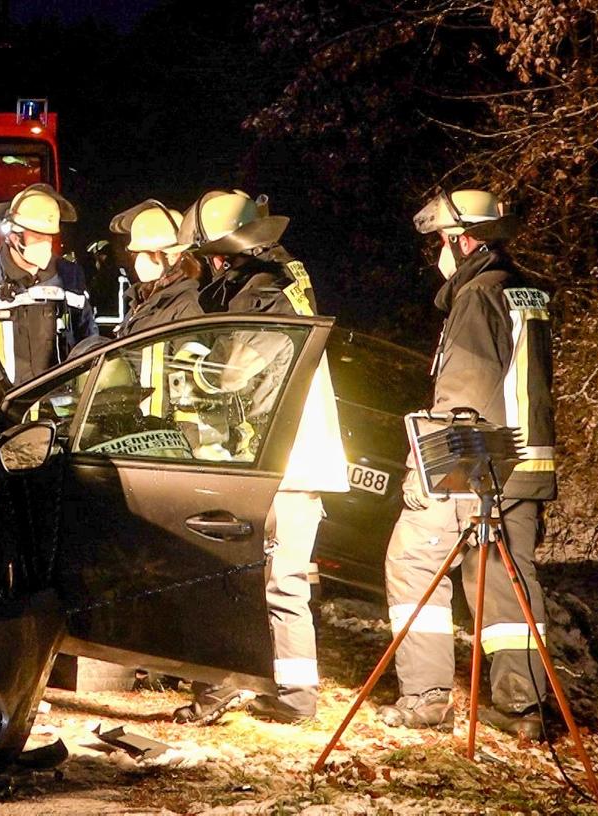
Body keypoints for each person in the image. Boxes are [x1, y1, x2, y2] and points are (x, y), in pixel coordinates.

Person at [377, 189, 555, 739]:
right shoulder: (526, 292)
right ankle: (523, 707)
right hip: (526, 466)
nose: (438, 255)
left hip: (481, 463)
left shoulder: (477, 296)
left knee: (411, 561)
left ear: (464, 240)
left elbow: (464, 399)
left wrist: (424, 473)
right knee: (506, 583)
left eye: (440, 243)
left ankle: (428, 699)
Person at [172, 189, 349, 724]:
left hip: (277, 461)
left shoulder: (261, 294)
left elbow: (234, 376)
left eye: (210, 256)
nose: (210, 267)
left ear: (225, 251)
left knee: (232, 576)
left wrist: (188, 370)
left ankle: (222, 687)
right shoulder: (288, 278)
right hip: (301, 458)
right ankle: (295, 699)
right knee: (284, 582)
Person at [0, 184, 97, 383]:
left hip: (58, 406)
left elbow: (87, 338)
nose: (46, 243)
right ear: (13, 235)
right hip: (4, 406)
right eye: (37, 235)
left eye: (49, 236)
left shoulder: (70, 276)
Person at [111, 200, 206, 337]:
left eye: (148, 252)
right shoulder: (142, 301)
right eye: (136, 253)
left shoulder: (186, 309)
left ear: (173, 255)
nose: (140, 260)